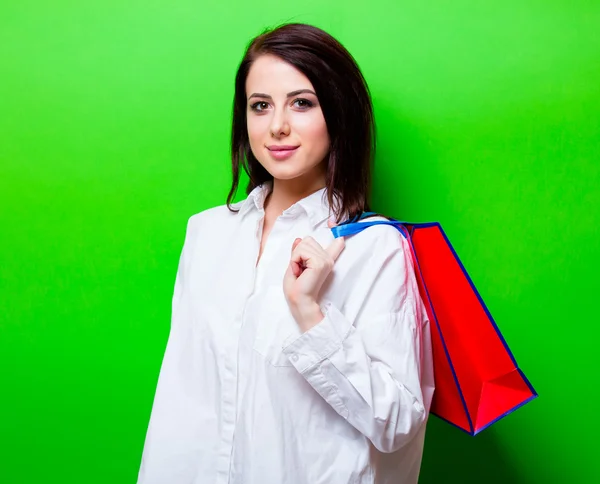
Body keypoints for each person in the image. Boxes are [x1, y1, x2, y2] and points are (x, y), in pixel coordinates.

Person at [137, 22, 434, 484]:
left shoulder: (373, 247)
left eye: (302, 103)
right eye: (260, 106)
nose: (277, 125)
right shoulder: (208, 232)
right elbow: (180, 399)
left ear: (338, 112)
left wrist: (310, 314)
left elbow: (396, 422)